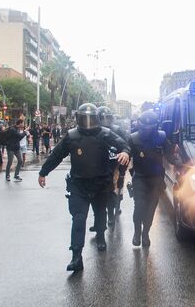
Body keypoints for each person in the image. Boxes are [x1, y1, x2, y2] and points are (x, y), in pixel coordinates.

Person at [38, 103, 130, 272]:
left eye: (90, 118)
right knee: (78, 219)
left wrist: (124, 151)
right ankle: (76, 256)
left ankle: (101, 236)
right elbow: (57, 154)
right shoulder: (72, 136)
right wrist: (44, 172)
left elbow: (123, 144)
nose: (88, 122)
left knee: (100, 213)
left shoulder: (105, 133)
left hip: (100, 183)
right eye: (84, 118)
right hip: (78, 185)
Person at [126, 110, 182, 247]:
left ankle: (145, 233)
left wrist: (179, 162)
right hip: (139, 178)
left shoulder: (161, 138)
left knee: (151, 209)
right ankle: (137, 232)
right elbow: (127, 152)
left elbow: (169, 155)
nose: (148, 132)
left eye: (151, 129)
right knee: (139, 207)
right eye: (145, 129)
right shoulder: (133, 139)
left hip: (156, 179)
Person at [88, 106, 130, 231]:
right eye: (103, 118)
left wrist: (122, 168)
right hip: (98, 166)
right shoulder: (93, 131)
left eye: (107, 117)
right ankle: (99, 222)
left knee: (112, 191)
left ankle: (111, 214)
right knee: (96, 194)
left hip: (114, 166)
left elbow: (126, 147)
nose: (105, 120)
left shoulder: (118, 130)